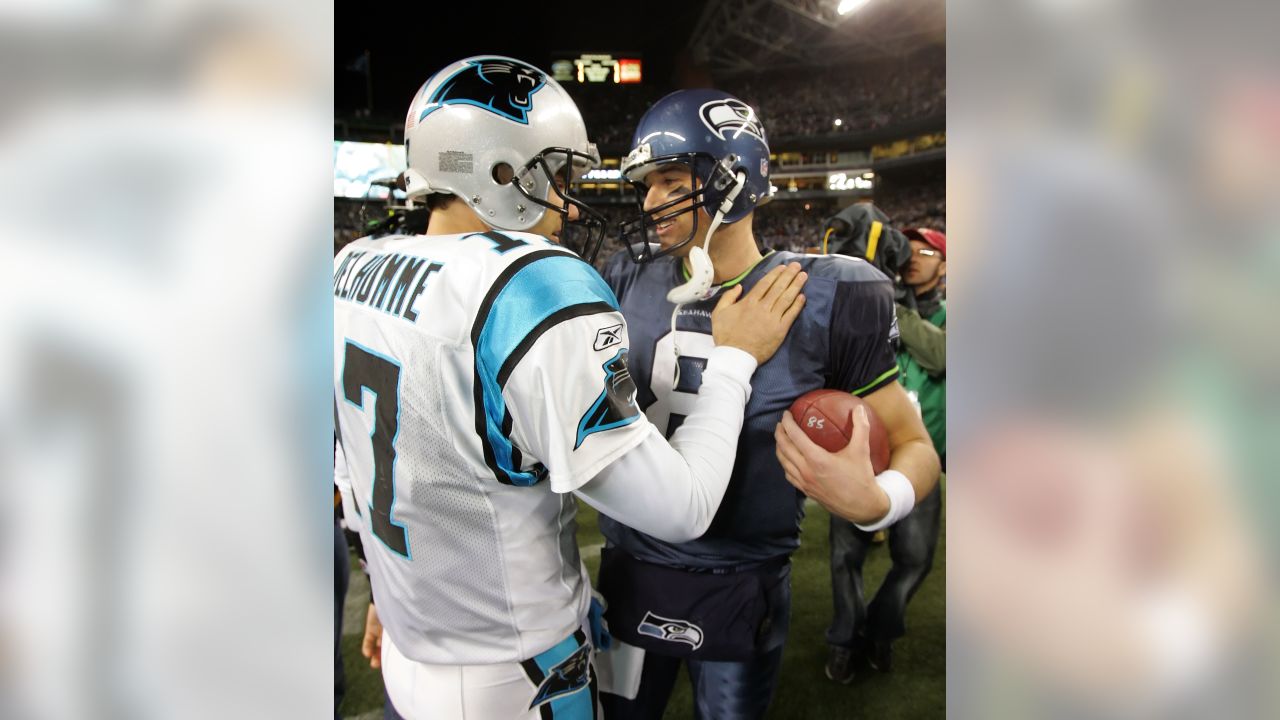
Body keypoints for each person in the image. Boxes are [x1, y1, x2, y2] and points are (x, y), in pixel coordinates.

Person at [333, 57, 808, 720]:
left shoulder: (351, 267)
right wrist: (733, 359)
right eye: (556, 175)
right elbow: (684, 508)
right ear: (501, 173)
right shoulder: (532, 285)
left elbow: (351, 473)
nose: (566, 200)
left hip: (411, 651)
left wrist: (387, 593)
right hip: (515, 672)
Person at [595, 89, 939, 719]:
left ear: (732, 180)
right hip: (632, 566)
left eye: (669, 180)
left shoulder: (831, 293)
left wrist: (877, 500)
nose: (648, 202)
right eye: (645, 184)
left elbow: (916, 445)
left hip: (741, 582)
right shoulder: (623, 275)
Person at [818, 227, 948, 684]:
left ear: (946, 265)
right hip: (859, 455)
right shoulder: (868, 301)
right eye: (908, 250)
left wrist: (884, 303)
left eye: (927, 251)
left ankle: (881, 627)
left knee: (915, 559)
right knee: (844, 557)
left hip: (919, 457)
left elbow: (943, 355)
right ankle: (844, 637)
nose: (913, 257)